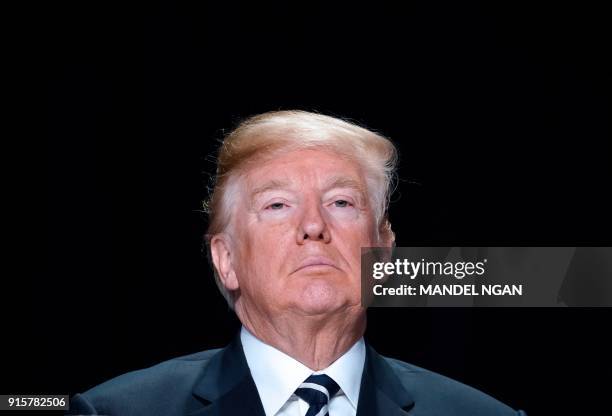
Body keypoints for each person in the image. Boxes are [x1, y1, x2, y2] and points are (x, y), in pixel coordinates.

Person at [68, 110, 526, 415]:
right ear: (226, 260)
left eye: (342, 202)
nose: (313, 226)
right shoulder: (115, 411)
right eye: (278, 205)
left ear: (383, 254)